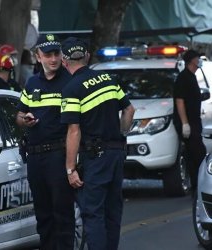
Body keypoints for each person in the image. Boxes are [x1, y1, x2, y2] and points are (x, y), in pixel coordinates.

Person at [60, 37, 135, 250]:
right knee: (113, 211)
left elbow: (73, 131)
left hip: (95, 158)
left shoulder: (72, 88)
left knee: (93, 213)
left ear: (65, 62)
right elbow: (129, 110)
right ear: (87, 56)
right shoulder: (108, 79)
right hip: (116, 154)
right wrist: (121, 132)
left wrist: (70, 169)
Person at [15, 34, 75, 250]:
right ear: (37, 56)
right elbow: (19, 116)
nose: (53, 59)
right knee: (43, 213)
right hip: (36, 157)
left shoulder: (69, 82)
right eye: (47, 55)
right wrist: (26, 119)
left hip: (59, 154)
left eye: (56, 53)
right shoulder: (32, 83)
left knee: (62, 213)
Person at [173, 49, 206, 194]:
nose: (200, 61)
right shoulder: (183, 78)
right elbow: (179, 101)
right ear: (192, 60)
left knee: (196, 154)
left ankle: (197, 184)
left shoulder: (191, 77)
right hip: (189, 124)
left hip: (194, 122)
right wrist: (185, 124)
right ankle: (196, 185)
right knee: (196, 154)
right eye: (198, 58)